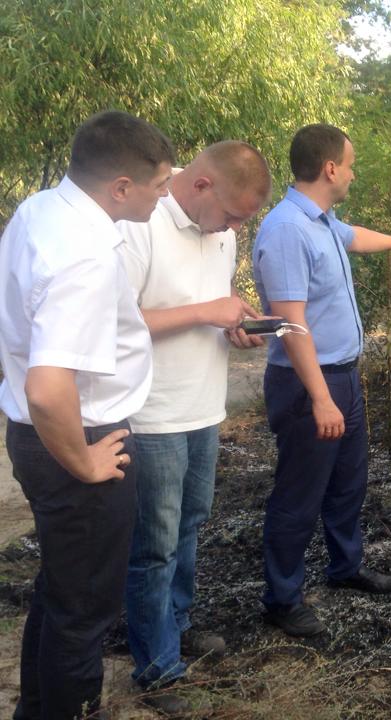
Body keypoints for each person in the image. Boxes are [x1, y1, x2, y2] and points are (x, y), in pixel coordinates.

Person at [0, 111, 174, 720]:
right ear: (121, 187)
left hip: (36, 434)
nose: (166, 194)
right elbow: (49, 389)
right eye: (159, 184)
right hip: (76, 437)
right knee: (84, 613)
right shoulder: (85, 256)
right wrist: (85, 461)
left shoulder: (41, 210)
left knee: (61, 592)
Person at [252, 123, 391, 637]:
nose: (354, 173)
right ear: (330, 168)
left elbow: (354, 238)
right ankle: (282, 599)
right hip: (308, 384)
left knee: (346, 484)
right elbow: (291, 325)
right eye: (351, 164)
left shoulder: (322, 222)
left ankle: (345, 568)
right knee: (299, 494)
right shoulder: (288, 229)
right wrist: (320, 398)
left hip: (342, 379)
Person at [116, 141, 272, 713]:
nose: (233, 229)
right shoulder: (140, 219)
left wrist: (237, 318)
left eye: (241, 222)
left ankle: (174, 627)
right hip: (150, 411)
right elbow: (116, 321)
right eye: (232, 215)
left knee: (191, 524)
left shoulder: (221, 229)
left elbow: (210, 301)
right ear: (201, 185)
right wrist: (210, 312)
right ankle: (156, 667)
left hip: (204, 405)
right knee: (154, 544)